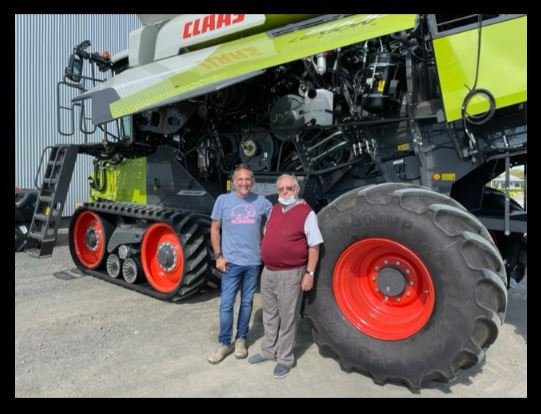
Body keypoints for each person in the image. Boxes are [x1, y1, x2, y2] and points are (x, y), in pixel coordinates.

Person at [248, 174, 323, 379]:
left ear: (296, 190)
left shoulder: (306, 213)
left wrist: (309, 274)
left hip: (291, 274)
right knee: (269, 315)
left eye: (289, 188)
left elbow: (314, 247)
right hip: (268, 272)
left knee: (288, 318)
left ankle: (285, 359)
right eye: (280, 189)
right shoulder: (274, 210)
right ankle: (268, 351)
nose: (284, 192)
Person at [207, 164, 272, 364]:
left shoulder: (262, 202)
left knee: (246, 302)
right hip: (231, 262)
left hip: (253, 262)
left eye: (247, 179)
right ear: (234, 181)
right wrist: (218, 256)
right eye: (240, 179)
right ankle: (224, 343)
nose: (244, 183)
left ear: (253, 181)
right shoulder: (223, 200)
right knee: (226, 304)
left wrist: (298, 203)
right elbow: (215, 228)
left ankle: (241, 339)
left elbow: (280, 217)